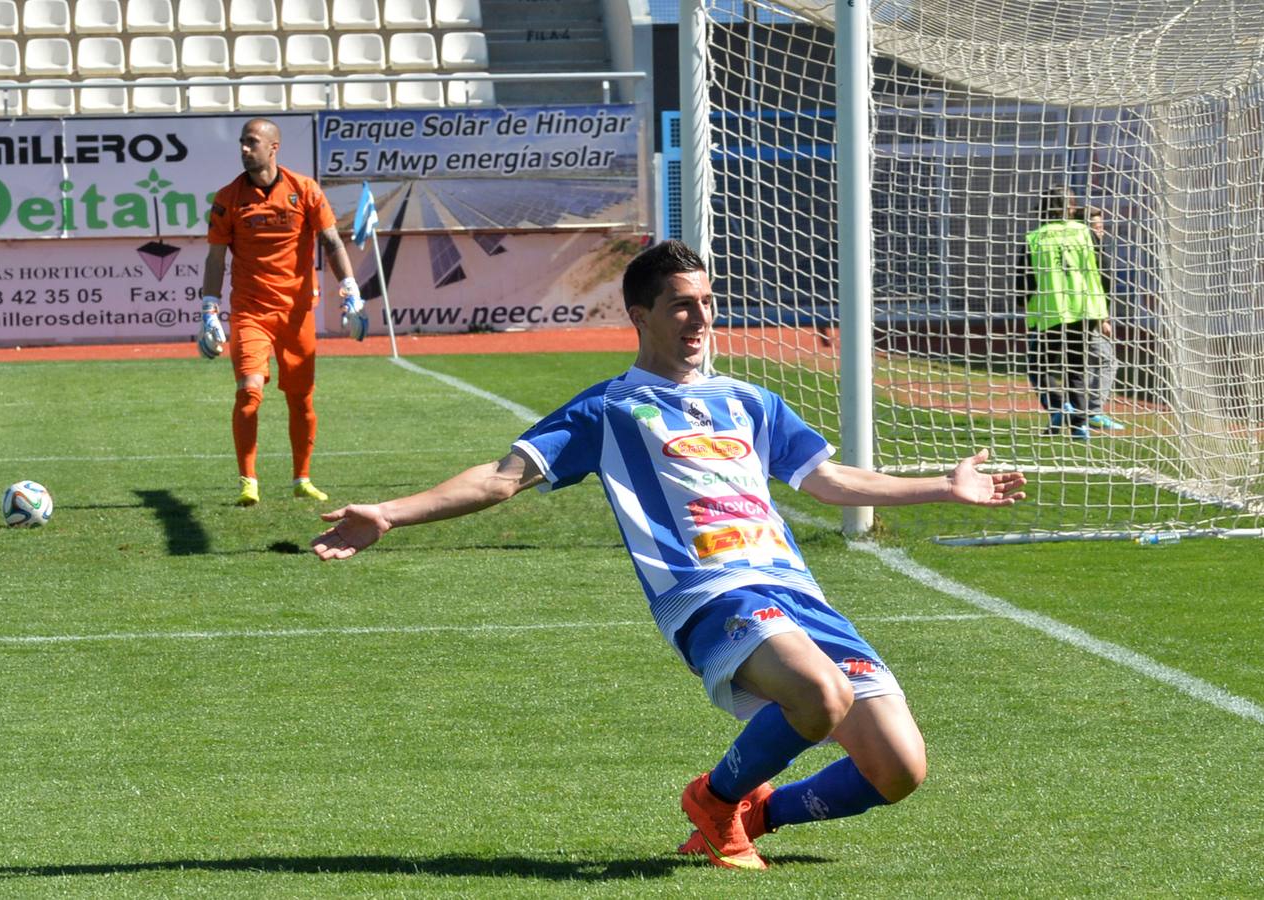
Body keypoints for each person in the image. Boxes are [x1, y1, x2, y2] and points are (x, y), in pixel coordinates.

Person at [311, 240, 1026, 871]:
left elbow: (827, 480)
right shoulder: (609, 409)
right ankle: (714, 802)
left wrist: (943, 485)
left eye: (709, 302)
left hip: (797, 595)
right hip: (711, 596)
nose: (701, 319)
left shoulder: (749, 400)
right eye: (682, 305)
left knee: (896, 770)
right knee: (819, 694)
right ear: (641, 315)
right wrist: (389, 513)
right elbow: (502, 478)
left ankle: (754, 817)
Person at [199, 117, 369, 506]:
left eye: (252, 142)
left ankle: (302, 478)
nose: (244, 149)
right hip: (250, 312)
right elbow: (215, 257)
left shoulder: (304, 189)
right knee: (249, 393)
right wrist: (209, 307)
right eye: (242, 142)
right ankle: (248, 482)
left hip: (296, 312)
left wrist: (349, 288)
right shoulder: (227, 198)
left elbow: (330, 240)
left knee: (301, 399)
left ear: (273, 148)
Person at [1017, 187, 1106, 440]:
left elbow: (1025, 279)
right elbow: (1102, 269)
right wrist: (1104, 310)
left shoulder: (1035, 238)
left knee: (1038, 366)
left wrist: (1021, 302)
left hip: (1051, 311)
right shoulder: (1084, 232)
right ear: (1069, 208)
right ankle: (1080, 427)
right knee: (1077, 368)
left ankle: (1058, 406)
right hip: (1085, 309)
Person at [1080, 207, 1126, 430]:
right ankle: (1092, 412)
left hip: (1081, 317)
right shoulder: (1090, 252)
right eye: (1096, 225)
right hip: (1086, 318)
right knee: (1108, 360)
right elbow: (1094, 287)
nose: (1101, 229)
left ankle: (1079, 411)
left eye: (1101, 225)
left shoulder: (1091, 249)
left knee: (1087, 363)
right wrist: (1103, 319)